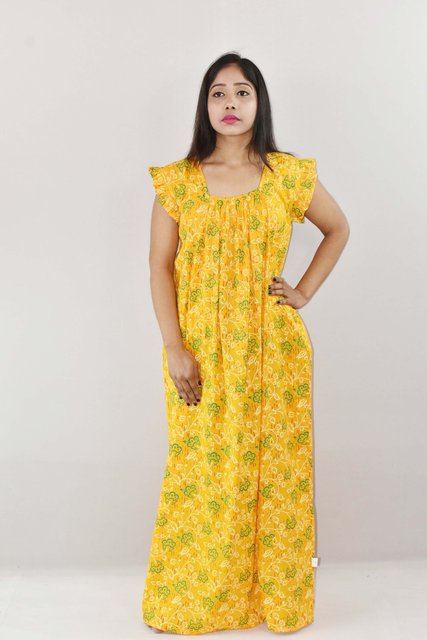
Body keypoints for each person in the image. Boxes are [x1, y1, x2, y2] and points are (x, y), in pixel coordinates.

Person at [142, 52, 350, 635]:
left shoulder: (287, 176)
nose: (230, 103)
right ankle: (199, 599)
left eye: (242, 92)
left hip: (273, 352)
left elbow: (338, 228)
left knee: (275, 475)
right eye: (218, 93)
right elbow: (159, 267)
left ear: (260, 103)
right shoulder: (178, 182)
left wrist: (302, 292)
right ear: (204, 106)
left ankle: (275, 600)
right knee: (203, 472)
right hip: (201, 353)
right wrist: (174, 347)